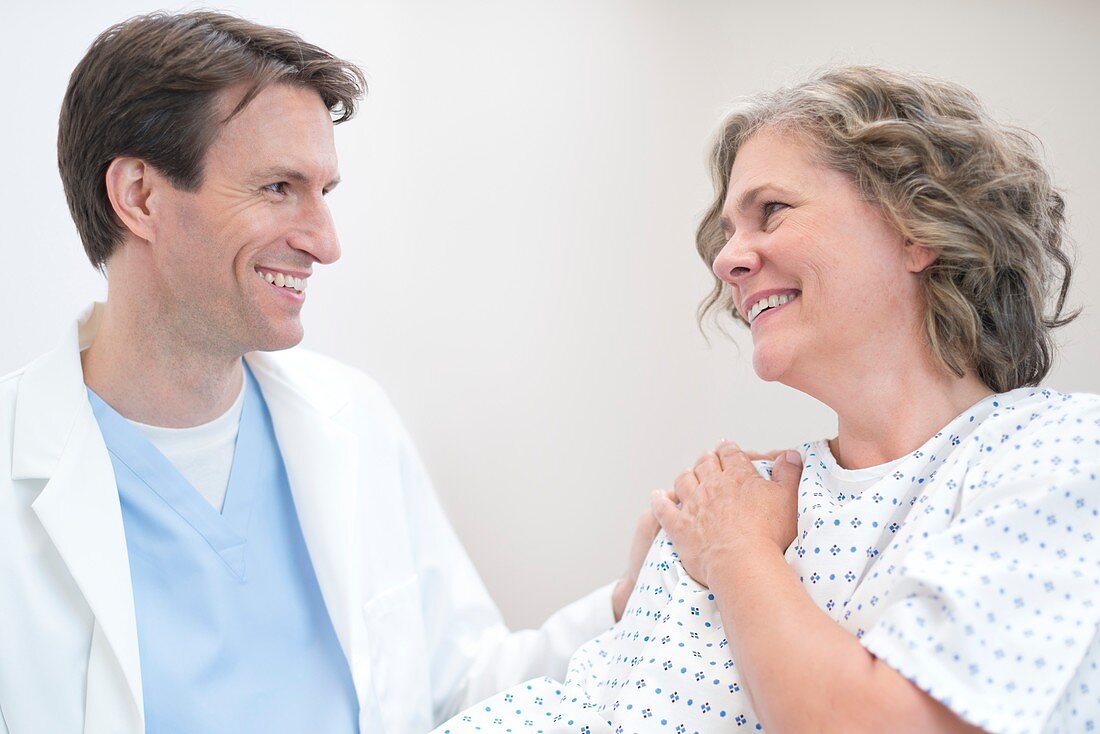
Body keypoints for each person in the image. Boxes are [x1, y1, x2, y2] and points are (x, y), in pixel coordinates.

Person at [0, 11, 653, 734]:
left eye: (324, 191)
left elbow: (465, 696)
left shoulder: (354, 420)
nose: (324, 242)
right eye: (278, 187)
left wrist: (629, 600)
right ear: (140, 197)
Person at [432, 66, 1100, 734]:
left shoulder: (1058, 452)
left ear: (916, 225)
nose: (726, 261)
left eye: (771, 211)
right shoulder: (736, 495)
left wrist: (737, 554)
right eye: (726, 232)